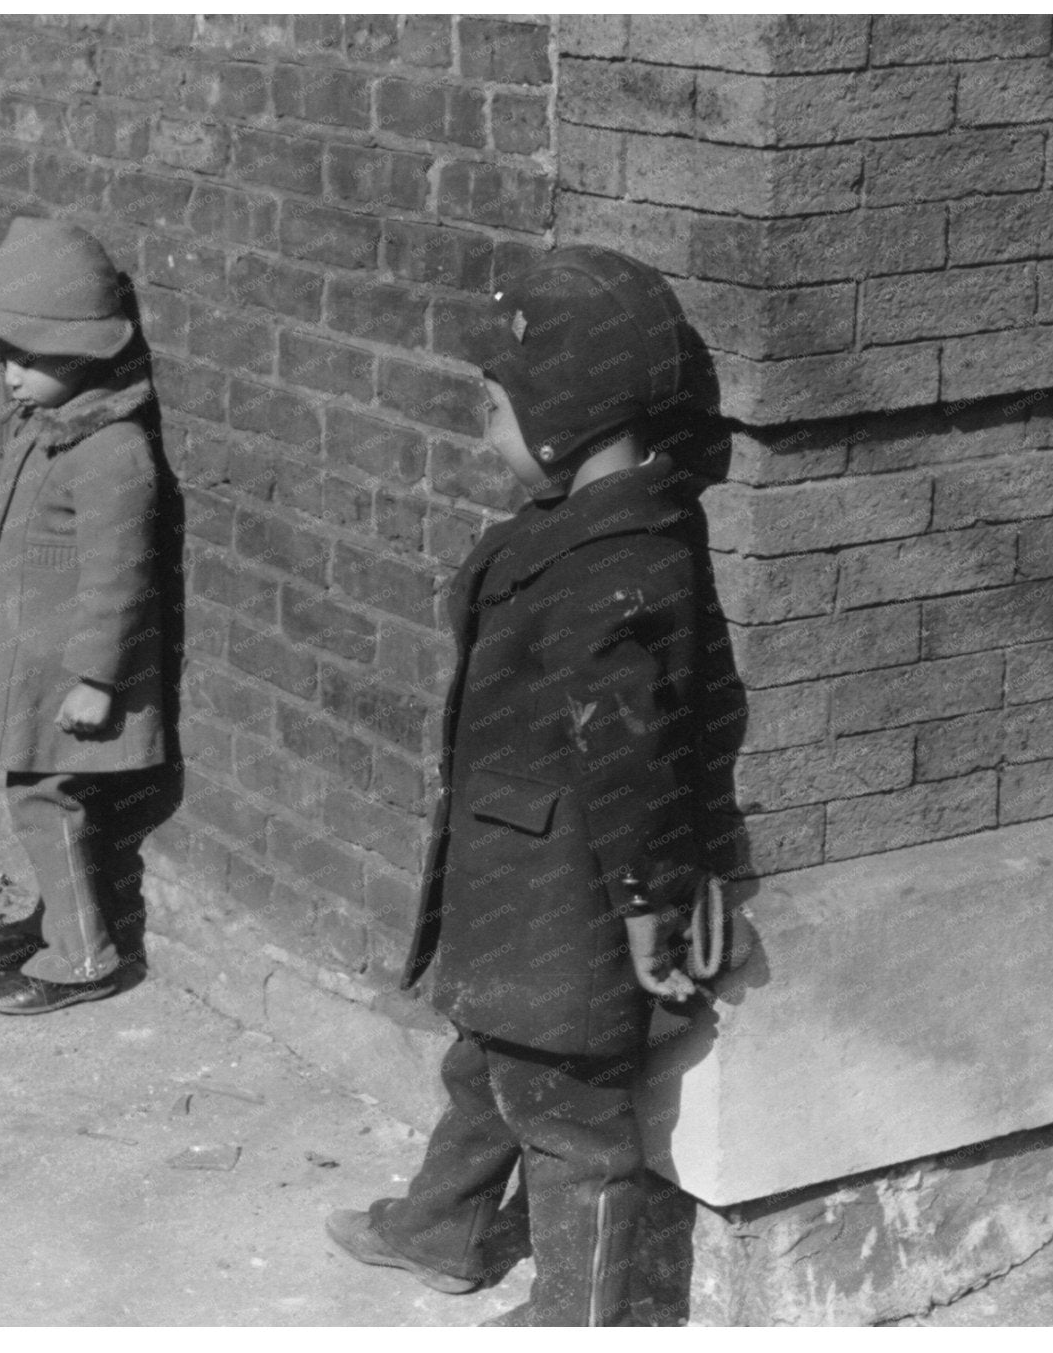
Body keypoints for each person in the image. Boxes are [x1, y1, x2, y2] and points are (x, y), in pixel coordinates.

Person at [324, 246, 712, 1326]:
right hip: (520, 885)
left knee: (571, 1123)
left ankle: (578, 1317)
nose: (481, 434)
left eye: (493, 410)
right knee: (486, 1066)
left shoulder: (614, 568)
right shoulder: (580, 534)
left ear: (562, 414)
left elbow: (631, 760)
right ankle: (437, 1229)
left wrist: (649, 907)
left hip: (571, 903)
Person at [0, 218, 173, 1016]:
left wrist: (98, 680)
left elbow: (120, 577)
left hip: (67, 678)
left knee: (47, 803)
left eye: (29, 359)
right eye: (3, 357)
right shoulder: (45, 430)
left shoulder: (112, 453)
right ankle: (58, 923)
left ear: (90, 352)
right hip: (31, 667)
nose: (9, 376)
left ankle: (82, 953)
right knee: (37, 800)